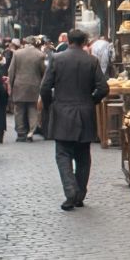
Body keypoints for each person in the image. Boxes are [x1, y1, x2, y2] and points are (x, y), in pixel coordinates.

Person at [39, 29, 109, 211]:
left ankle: (71, 191)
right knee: (83, 155)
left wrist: (50, 106)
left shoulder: (56, 59)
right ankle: (79, 194)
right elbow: (103, 88)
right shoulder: (91, 61)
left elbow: (45, 88)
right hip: (85, 113)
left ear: (68, 40)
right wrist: (90, 101)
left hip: (62, 112)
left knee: (63, 154)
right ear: (85, 41)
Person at [8, 36, 47, 141]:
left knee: (19, 110)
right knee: (32, 109)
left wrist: (10, 85)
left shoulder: (17, 53)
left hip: (19, 85)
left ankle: (21, 133)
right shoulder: (40, 55)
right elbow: (44, 72)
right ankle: (30, 132)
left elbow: (11, 71)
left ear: (25, 42)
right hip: (34, 86)